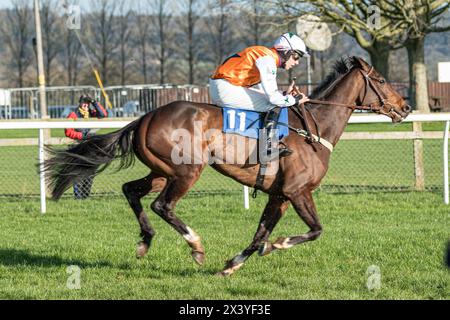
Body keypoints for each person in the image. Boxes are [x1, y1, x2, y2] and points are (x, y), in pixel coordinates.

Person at [209, 32, 310, 159]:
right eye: (296, 57)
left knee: (275, 101)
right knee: (273, 105)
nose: (296, 62)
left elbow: (264, 92)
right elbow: (273, 99)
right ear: (287, 52)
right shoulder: (267, 60)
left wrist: (284, 95)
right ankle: (268, 148)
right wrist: (295, 100)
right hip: (226, 87)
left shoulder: (265, 55)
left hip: (225, 85)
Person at [65, 94, 108, 199]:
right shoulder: (73, 114)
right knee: (78, 172)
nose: (85, 105)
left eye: (87, 103)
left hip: (90, 147)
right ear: (79, 103)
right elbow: (68, 131)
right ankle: (78, 197)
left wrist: (94, 102)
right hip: (77, 145)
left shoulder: (91, 113)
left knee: (90, 172)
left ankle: (85, 196)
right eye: (84, 103)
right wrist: (81, 136)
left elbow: (103, 114)